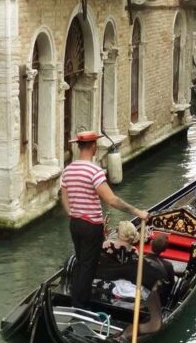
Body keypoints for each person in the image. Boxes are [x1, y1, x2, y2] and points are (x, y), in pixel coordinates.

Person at [60, 131, 149, 309]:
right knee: (88, 265)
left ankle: (76, 298)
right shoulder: (94, 171)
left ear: (79, 146)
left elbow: (64, 198)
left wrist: (74, 213)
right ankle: (79, 306)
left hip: (75, 223)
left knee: (81, 261)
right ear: (93, 146)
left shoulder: (68, 170)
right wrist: (137, 211)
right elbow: (112, 200)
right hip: (91, 225)